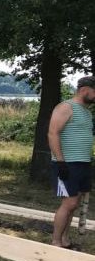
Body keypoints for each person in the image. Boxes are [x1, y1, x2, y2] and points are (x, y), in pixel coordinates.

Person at [48, 75, 95, 248]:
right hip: (67, 163)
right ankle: (55, 242)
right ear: (84, 90)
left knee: (74, 205)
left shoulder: (87, 112)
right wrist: (60, 162)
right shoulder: (66, 107)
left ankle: (65, 240)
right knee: (69, 202)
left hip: (83, 163)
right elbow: (53, 133)